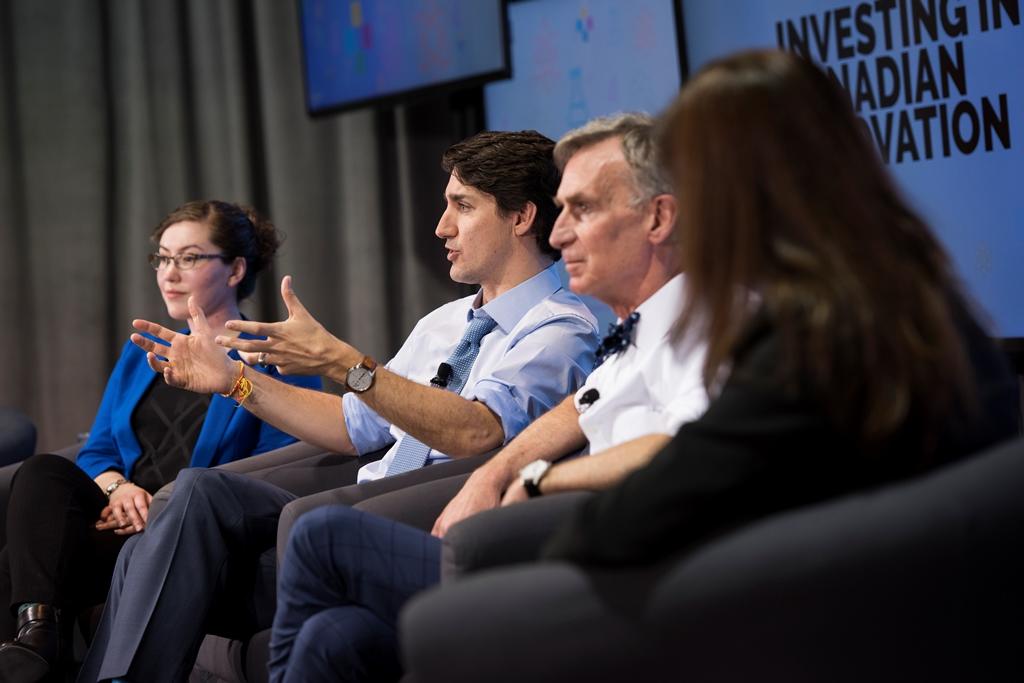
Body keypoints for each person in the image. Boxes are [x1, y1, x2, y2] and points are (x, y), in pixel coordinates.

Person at [268, 50, 1021, 682]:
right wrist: (505, 477)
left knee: (413, 601)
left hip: (776, 594)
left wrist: (533, 483)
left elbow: (675, 479)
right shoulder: (886, 288)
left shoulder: (797, 324)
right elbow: (607, 414)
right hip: (787, 566)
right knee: (344, 638)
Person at [78, 130, 599, 683]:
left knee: (165, 554)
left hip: (410, 522)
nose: (441, 227)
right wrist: (235, 382)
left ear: (521, 217)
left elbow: (477, 433)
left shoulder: (561, 329)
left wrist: (343, 363)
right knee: (191, 496)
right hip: (355, 494)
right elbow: (354, 427)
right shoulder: (445, 322)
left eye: (462, 207)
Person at [0, 200, 319, 683]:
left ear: (235, 269)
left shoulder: (274, 359)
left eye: (189, 258)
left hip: (186, 530)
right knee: (42, 472)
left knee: (16, 559)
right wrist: (118, 490)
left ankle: (40, 653)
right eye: (163, 258)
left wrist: (163, 504)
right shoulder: (146, 351)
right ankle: (38, 639)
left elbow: (278, 467)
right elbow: (99, 449)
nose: (169, 274)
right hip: (118, 516)